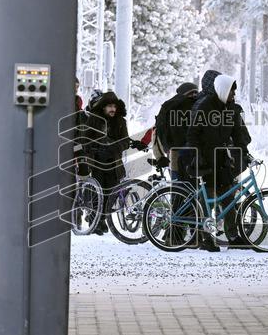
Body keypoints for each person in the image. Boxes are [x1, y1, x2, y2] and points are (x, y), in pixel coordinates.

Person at [186, 74, 250, 252]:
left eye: (234, 92)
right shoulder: (205, 106)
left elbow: (237, 135)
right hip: (205, 158)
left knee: (228, 197)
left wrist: (244, 152)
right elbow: (193, 134)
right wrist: (197, 154)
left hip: (221, 159)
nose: (233, 95)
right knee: (207, 200)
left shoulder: (230, 109)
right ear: (222, 90)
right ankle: (206, 237)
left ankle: (233, 236)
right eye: (231, 92)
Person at [85, 90, 147, 234]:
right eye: (109, 106)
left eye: (114, 106)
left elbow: (125, 141)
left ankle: (103, 218)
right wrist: (96, 149)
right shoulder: (94, 120)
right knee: (98, 192)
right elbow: (86, 139)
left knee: (112, 193)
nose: (112, 109)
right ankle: (95, 220)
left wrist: (113, 147)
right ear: (103, 107)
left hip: (114, 162)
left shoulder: (120, 121)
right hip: (98, 162)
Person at [155, 82, 198, 181]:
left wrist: (160, 155)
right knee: (188, 188)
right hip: (190, 156)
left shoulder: (168, 107)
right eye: (191, 93)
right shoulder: (193, 106)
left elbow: (158, 131)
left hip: (173, 155)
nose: (194, 96)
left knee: (178, 189)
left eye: (196, 93)